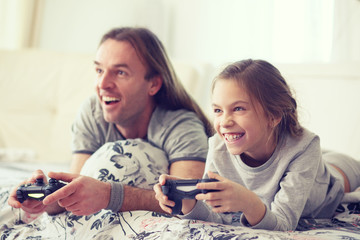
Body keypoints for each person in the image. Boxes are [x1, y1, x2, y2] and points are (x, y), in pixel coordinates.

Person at [8, 27, 213, 216]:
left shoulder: (182, 127)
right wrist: (44, 199)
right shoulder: (93, 111)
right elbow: (72, 193)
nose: (102, 84)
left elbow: (186, 203)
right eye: (99, 70)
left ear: (153, 84)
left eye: (120, 72)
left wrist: (109, 195)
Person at [154, 59, 360, 231]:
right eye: (218, 110)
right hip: (285, 151)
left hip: (335, 173)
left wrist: (248, 202)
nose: (224, 122)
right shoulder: (218, 146)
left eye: (238, 108)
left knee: (336, 166)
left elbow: (284, 224)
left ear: (274, 115)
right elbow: (218, 216)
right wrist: (187, 203)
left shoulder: (306, 147)